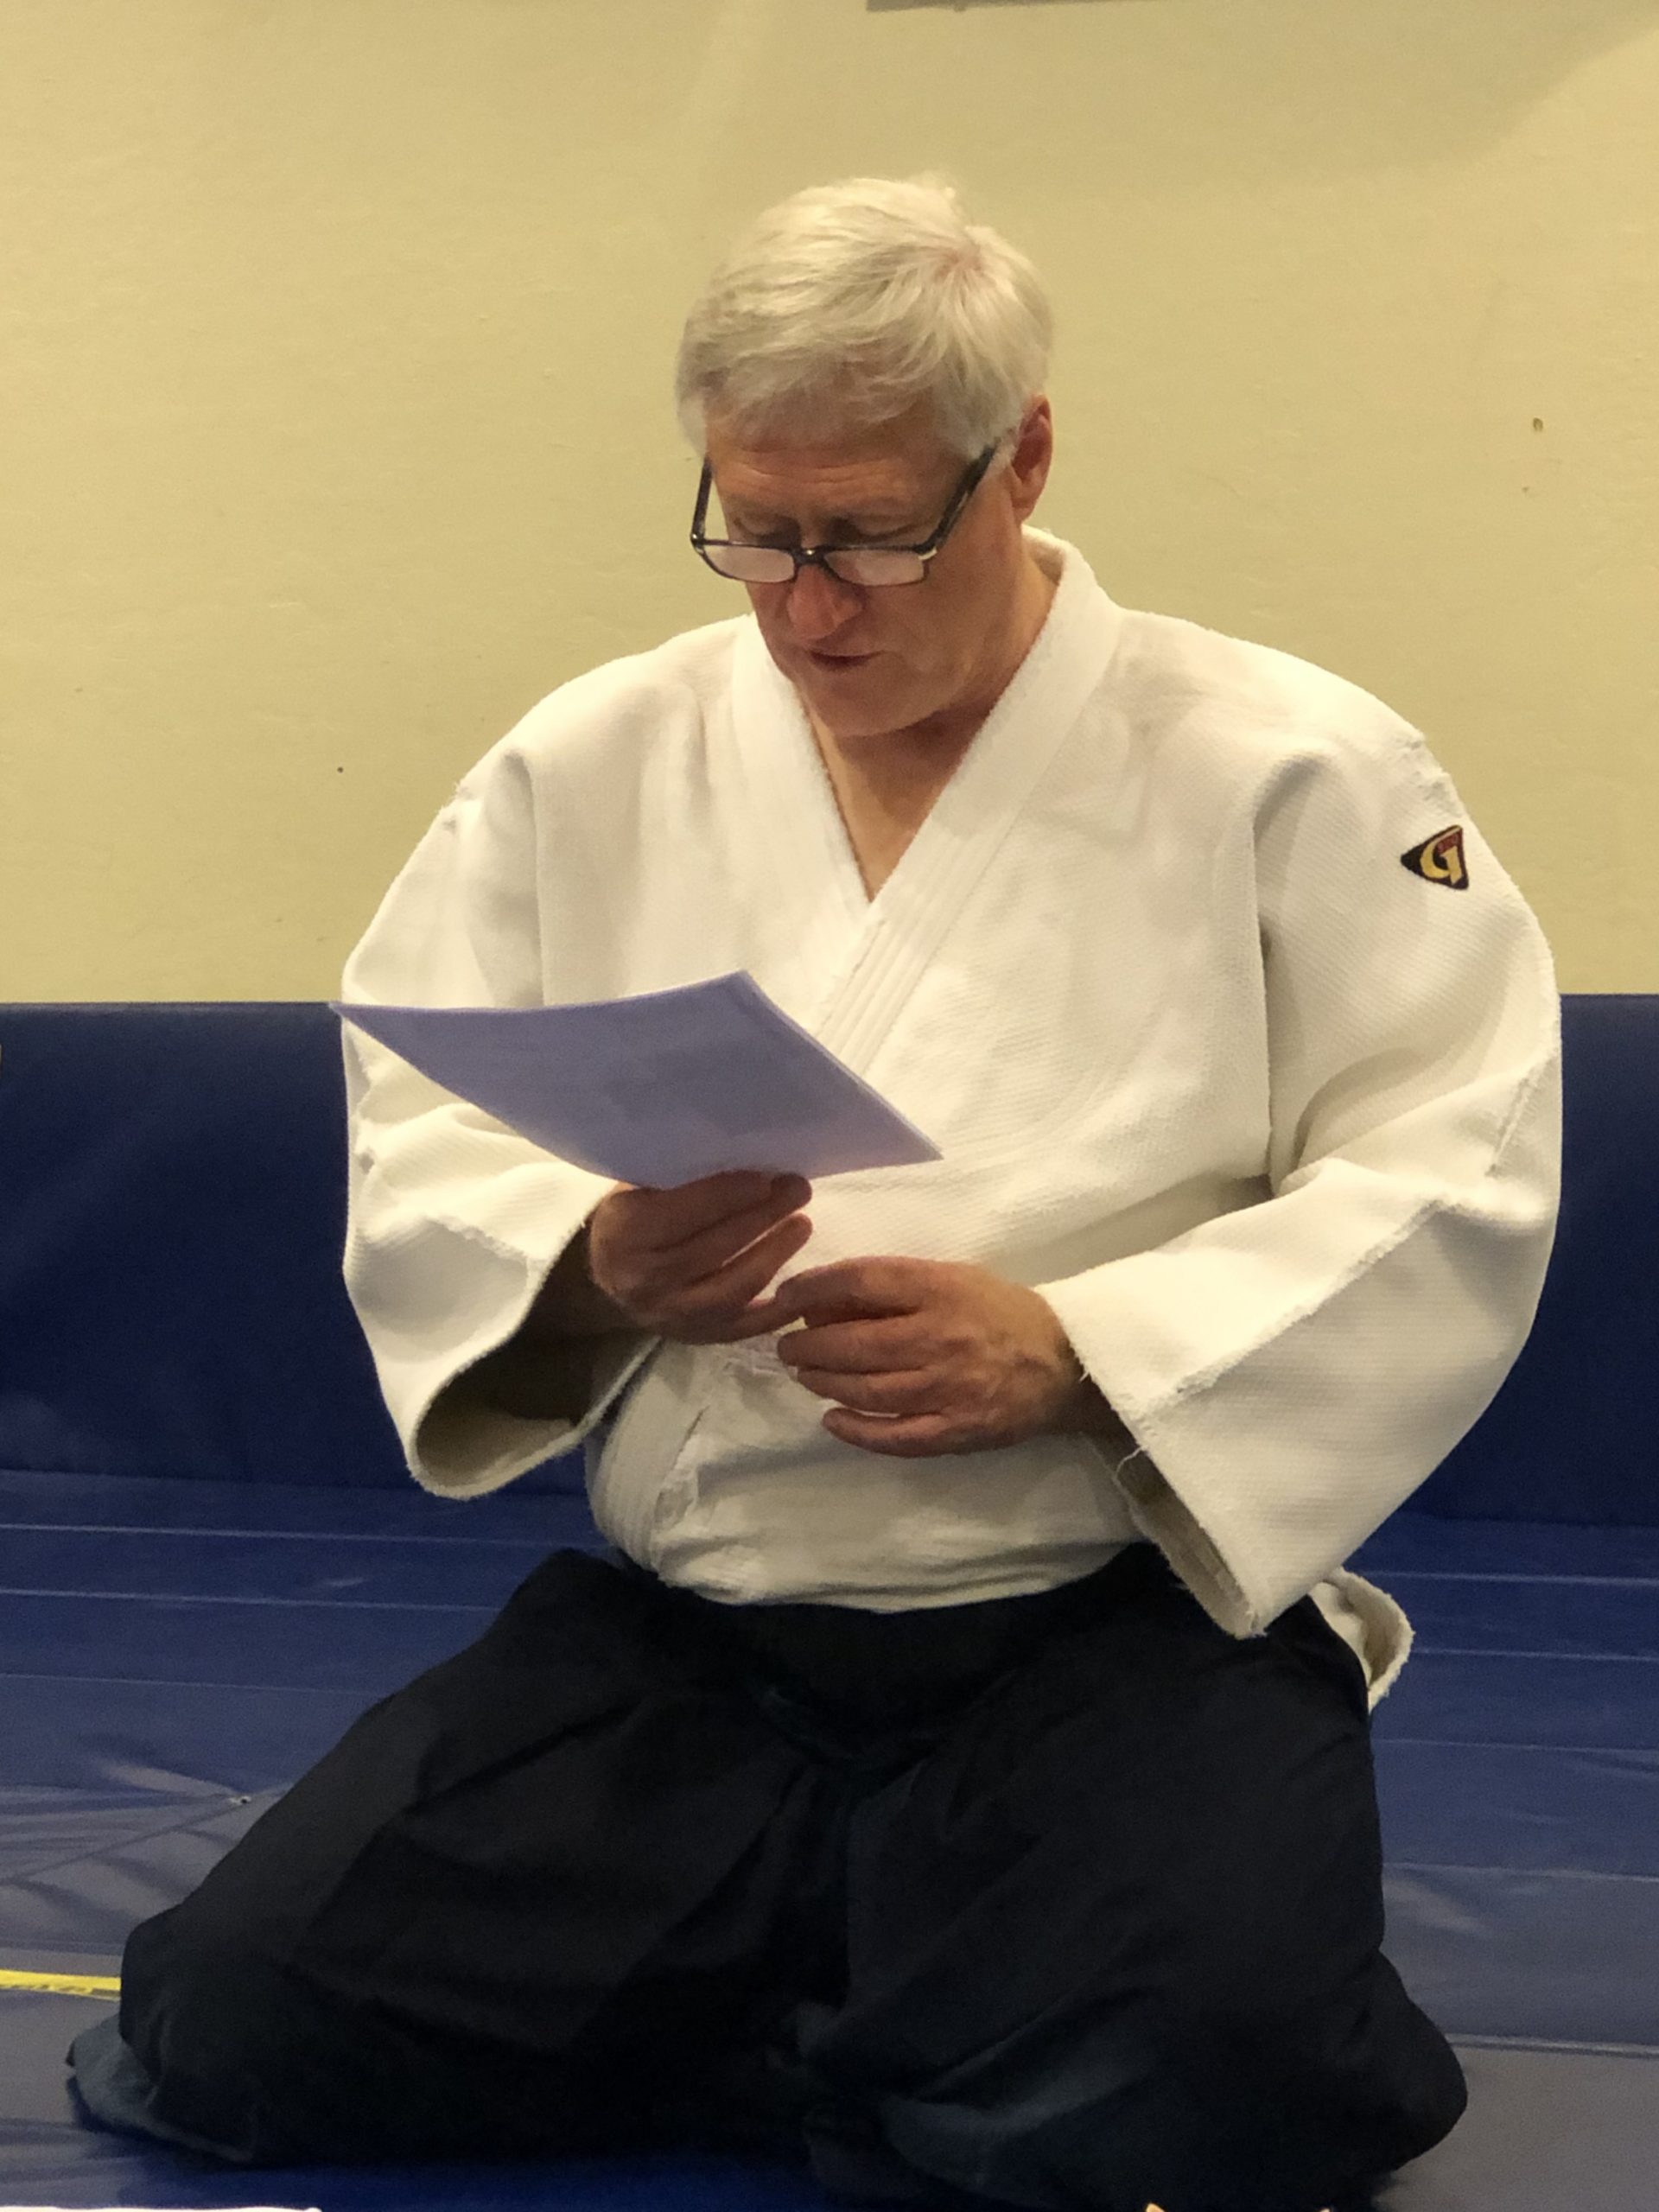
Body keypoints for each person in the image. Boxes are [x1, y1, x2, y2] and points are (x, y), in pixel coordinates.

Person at [71, 176, 1560, 2212]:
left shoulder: (1295, 766)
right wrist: (593, 1260)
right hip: (701, 1640)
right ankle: (910, 2006)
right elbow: (429, 1096)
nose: (804, 605)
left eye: (864, 534)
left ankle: (890, 1992)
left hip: (1107, 1630)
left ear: (1021, 457)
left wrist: (1083, 1346)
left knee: (1204, 2096)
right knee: (229, 2026)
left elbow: (1453, 1151)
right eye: (754, 531)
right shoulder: (598, 756)